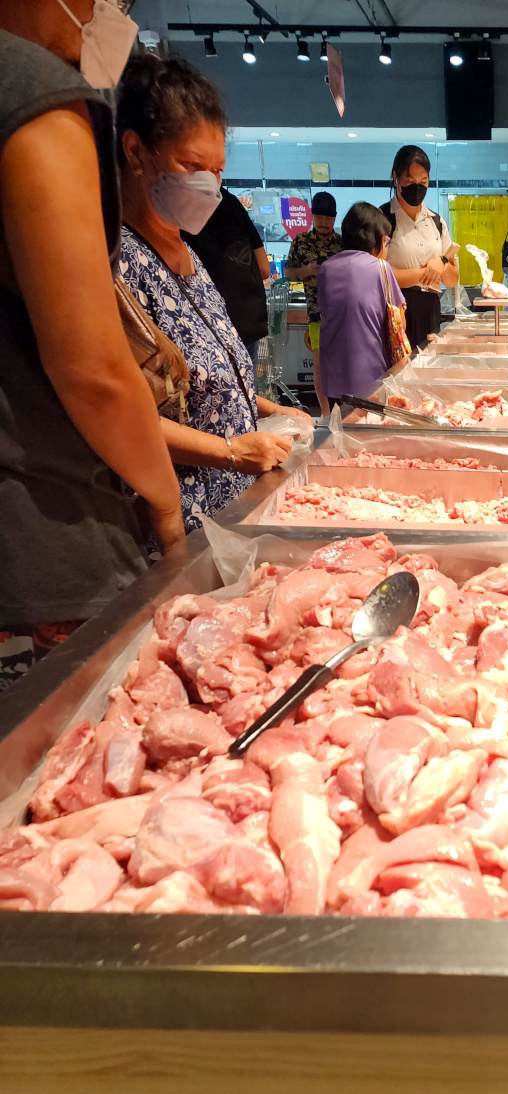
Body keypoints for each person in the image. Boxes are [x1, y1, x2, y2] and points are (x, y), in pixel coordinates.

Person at [0, 0, 184, 689]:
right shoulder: (33, 93)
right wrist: (164, 503)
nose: (113, 10)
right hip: (40, 541)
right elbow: (92, 368)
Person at [116, 54, 311, 534]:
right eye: (192, 165)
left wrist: (269, 409)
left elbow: (209, 382)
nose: (209, 184)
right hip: (178, 521)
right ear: (137, 152)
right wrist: (229, 451)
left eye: (218, 170)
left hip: (234, 505)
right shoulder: (119, 263)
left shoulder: (191, 255)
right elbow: (122, 417)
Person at [317, 202, 406, 405]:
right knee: (370, 434)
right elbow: (399, 324)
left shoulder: (326, 269)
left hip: (333, 379)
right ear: (375, 238)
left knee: (341, 433)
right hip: (372, 377)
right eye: (386, 240)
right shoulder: (381, 268)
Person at [182, 186, 270, 366]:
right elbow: (263, 268)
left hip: (202, 325)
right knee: (247, 391)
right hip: (246, 319)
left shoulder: (177, 207)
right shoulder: (231, 204)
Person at [383, 145, 459, 349]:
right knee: (398, 373)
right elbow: (377, 274)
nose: (417, 187)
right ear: (396, 178)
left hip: (431, 309)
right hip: (397, 309)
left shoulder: (437, 222)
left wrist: (441, 265)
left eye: (423, 182)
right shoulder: (382, 219)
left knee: (427, 371)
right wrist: (423, 274)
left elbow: (452, 279)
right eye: (410, 182)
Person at [284, 191, 341, 420]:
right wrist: (307, 270)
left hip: (340, 315)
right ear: (312, 216)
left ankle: (341, 411)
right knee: (319, 365)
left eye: (328, 218)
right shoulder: (300, 242)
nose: (324, 223)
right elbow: (288, 273)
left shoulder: (342, 243)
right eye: (320, 217)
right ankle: (326, 413)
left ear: (334, 219)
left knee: (340, 364)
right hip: (316, 314)